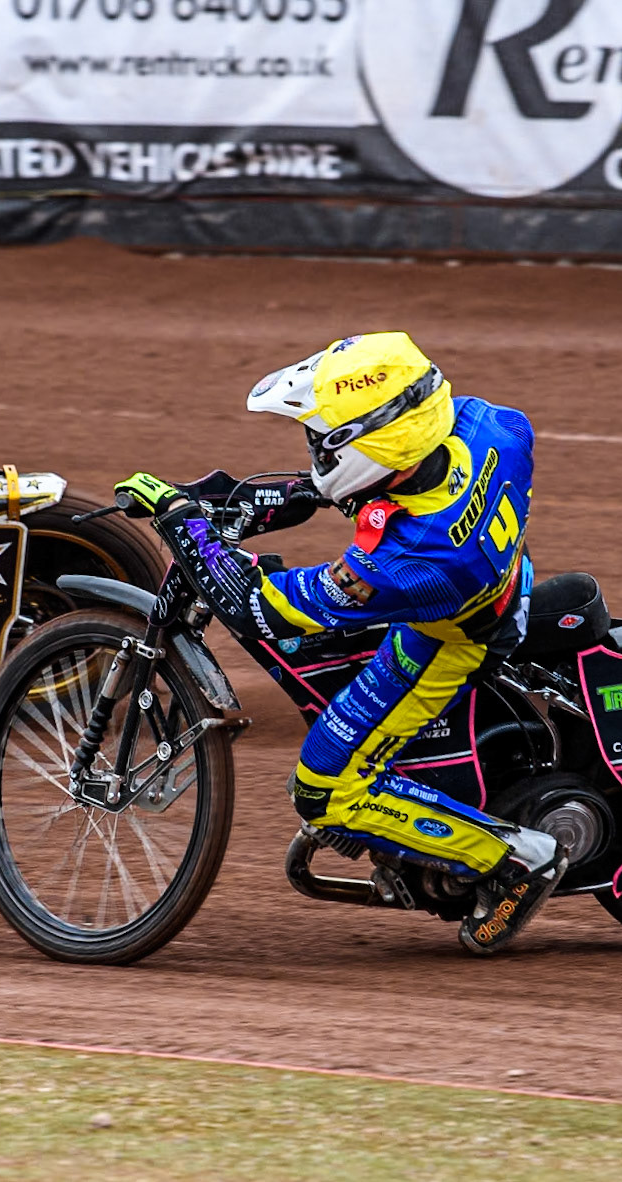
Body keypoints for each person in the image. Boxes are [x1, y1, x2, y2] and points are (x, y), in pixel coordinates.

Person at [114, 332, 565, 953]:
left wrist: (185, 525)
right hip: (503, 577)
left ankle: (515, 860)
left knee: (322, 790)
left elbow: (258, 608)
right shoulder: (487, 425)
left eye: (326, 440)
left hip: (445, 638)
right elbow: (373, 480)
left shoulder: (411, 558)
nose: (314, 448)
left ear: (375, 445)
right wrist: (278, 495)